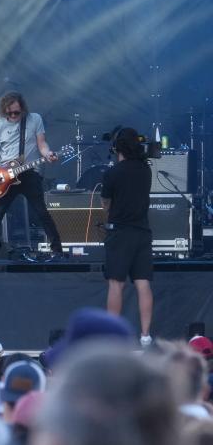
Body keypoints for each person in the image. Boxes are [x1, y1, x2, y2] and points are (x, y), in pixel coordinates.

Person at [0, 91, 63, 253]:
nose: (13, 116)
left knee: (41, 213)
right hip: (5, 177)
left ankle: (57, 251)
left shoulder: (35, 119)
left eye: (16, 112)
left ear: (23, 109)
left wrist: (48, 154)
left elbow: (42, 144)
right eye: (9, 113)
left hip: (30, 172)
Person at [101, 127, 154, 346]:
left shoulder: (113, 172)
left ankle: (113, 336)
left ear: (116, 148)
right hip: (142, 232)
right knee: (143, 284)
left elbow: (106, 203)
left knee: (116, 284)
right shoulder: (146, 169)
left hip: (120, 232)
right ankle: (145, 336)